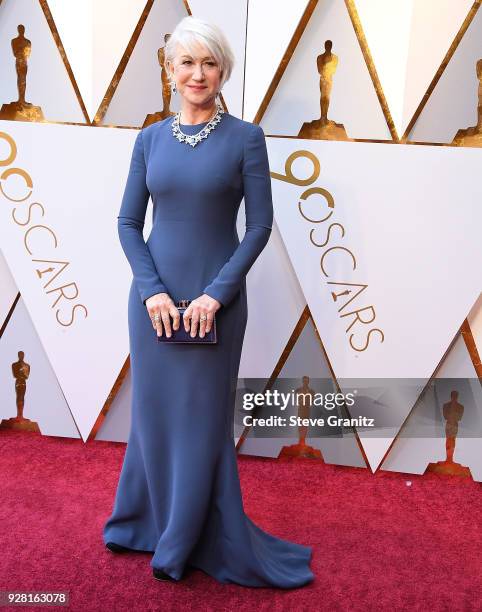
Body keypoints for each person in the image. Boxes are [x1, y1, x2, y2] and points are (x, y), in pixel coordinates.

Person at [102, 15, 314, 589]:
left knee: (200, 422)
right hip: (153, 304)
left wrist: (216, 295)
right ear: (170, 71)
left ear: (223, 70)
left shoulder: (246, 137)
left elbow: (258, 228)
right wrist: (152, 293)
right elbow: (127, 223)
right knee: (154, 417)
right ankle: (144, 524)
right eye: (186, 62)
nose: (198, 74)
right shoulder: (148, 139)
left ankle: (187, 539)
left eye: (209, 62)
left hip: (215, 304)